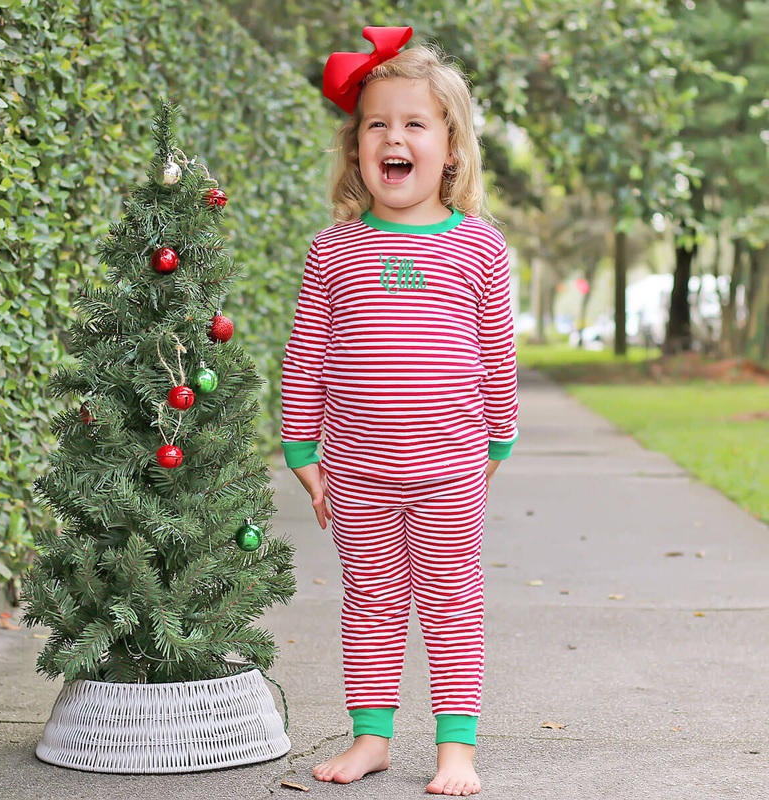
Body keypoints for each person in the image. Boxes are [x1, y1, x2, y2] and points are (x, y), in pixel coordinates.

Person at [281, 25, 518, 797]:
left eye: (415, 123)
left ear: (450, 149)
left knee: (451, 604)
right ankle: (372, 738)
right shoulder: (333, 249)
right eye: (377, 124)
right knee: (372, 604)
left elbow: (496, 352)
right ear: (356, 150)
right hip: (357, 473)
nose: (394, 137)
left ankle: (456, 749)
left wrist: (499, 439)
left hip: (451, 467)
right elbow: (307, 354)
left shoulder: (479, 247)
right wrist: (301, 451)